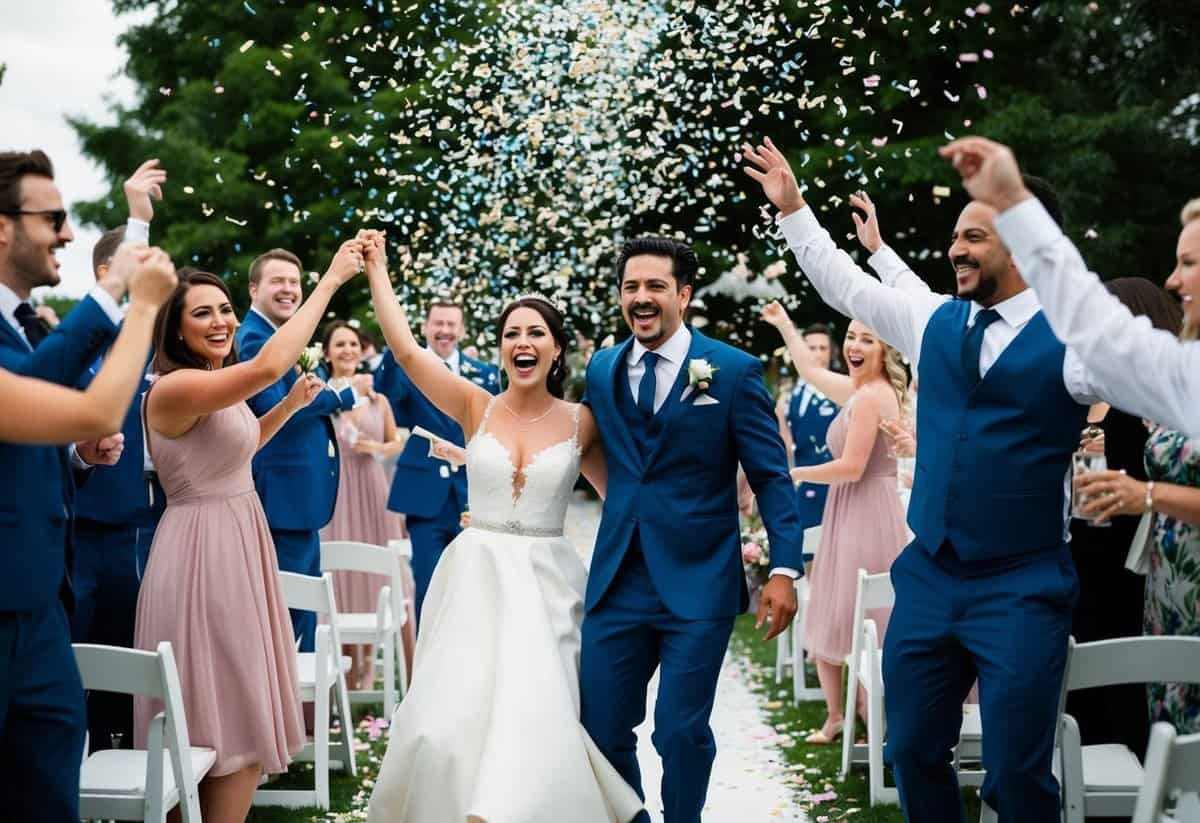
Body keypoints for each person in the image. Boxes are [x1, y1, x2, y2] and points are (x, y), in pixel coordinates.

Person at [745, 136, 1104, 821]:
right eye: (956, 235)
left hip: (1023, 584)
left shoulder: (1076, 341)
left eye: (975, 235)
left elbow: (1153, 382)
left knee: (1019, 776)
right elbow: (846, 285)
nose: (956, 248)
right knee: (908, 747)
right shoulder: (934, 319)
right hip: (931, 575)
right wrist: (794, 210)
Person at [359, 230, 642, 822]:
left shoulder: (582, 422)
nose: (523, 341)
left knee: (537, 713)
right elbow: (410, 353)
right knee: (449, 712)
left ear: (558, 349)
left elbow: (624, 500)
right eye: (512, 332)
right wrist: (377, 271)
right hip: (474, 578)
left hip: (546, 583)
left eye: (536, 332)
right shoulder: (475, 405)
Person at [579, 236, 802, 823]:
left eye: (655, 286)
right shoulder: (601, 369)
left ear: (684, 294)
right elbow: (581, 452)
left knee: (679, 731)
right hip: (618, 578)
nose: (641, 298)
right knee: (599, 726)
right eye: (631, 287)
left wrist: (783, 568)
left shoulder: (731, 371)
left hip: (698, 580)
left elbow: (773, 478)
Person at [135, 247, 361, 823]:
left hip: (242, 540)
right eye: (203, 314)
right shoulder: (173, 388)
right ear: (176, 330)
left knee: (243, 693)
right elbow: (263, 367)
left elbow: (237, 449)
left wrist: (287, 406)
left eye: (226, 310)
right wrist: (331, 279)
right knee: (215, 697)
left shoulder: (211, 383)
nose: (222, 322)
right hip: (201, 551)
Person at [0, 148, 168, 821]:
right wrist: (133, 304)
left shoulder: (23, 323)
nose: (68, 233)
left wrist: (74, 455)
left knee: (49, 786)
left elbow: (39, 390)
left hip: (39, 605)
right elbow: (73, 390)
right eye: (55, 218)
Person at [936, 137, 1200, 439]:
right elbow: (1103, 332)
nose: (1172, 281)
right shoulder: (1188, 372)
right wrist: (1012, 202)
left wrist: (1150, 490)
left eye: (1189, 263)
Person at [763, 301, 909, 745]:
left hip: (866, 511)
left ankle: (866, 715)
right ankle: (841, 716)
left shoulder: (870, 396)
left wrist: (796, 472)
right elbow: (809, 371)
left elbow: (850, 468)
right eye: (851, 337)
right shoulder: (861, 390)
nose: (854, 345)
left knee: (862, 612)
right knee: (834, 606)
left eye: (867, 339)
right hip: (849, 509)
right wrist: (785, 322)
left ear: (885, 350)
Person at [236, 247, 370, 651]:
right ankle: (290, 706)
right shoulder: (254, 341)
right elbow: (281, 411)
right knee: (287, 618)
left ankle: (304, 709)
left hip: (299, 502)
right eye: (278, 281)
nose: (289, 289)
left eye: (294, 282)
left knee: (304, 613)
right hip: (281, 500)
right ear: (253, 288)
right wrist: (342, 395)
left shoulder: (281, 337)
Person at [70, 226, 170, 756]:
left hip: (146, 519)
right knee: (77, 651)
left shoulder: (165, 344)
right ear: (106, 275)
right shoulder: (77, 342)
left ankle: (127, 758)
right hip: (80, 521)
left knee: (132, 647)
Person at [374, 297, 501, 626]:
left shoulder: (486, 374)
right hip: (425, 495)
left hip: (474, 495)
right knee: (429, 587)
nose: (444, 330)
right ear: (425, 327)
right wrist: (395, 342)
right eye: (438, 323)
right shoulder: (406, 369)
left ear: (461, 328)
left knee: (475, 589)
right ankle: (428, 669)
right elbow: (385, 390)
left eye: (451, 324)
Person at [318, 319, 415, 688]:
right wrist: (351, 394)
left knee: (383, 572)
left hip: (374, 490)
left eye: (354, 345)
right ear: (326, 352)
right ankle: (347, 676)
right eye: (339, 345)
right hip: (337, 490)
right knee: (341, 573)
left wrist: (375, 448)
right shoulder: (323, 395)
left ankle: (395, 673)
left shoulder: (380, 398)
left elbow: (395, 442)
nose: (348, 351)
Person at [778, 321, 841, 528]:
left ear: (831, 352)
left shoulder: (844, 391)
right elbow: (785, 445)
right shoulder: (787, 397)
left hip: (838, 485)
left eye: (823, 348)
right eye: (811, 348)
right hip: (800, 485)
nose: (817, 354)